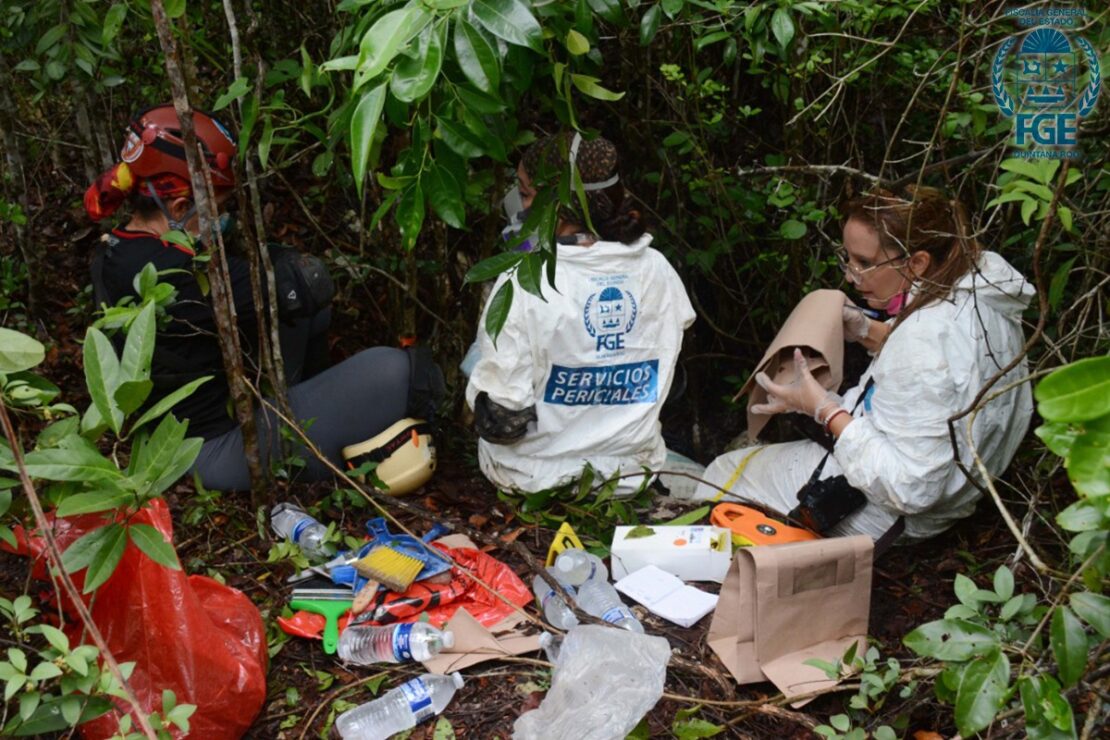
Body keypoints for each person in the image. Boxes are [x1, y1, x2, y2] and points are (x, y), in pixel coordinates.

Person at [84, 104, 440, 491]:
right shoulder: (179, 272)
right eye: (216, 210)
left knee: (307, 319)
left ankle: (306, 413)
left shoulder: (115, 251)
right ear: (180, 208)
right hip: (214, 453)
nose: (222, 220)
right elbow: (309, 282)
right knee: (400, 372)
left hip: (168, 440)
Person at [695, 186, 1034, 542]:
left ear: (917, 262)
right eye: (848, 259)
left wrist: (823, 410)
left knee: (723, 471)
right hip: (957, 488)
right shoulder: (978, 292)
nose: (851, 276)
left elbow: (911, 489)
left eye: (865, 262)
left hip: (890, 512)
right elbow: (951, 371)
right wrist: (869, 330)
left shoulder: (922, 342)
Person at [466, 133, 696, 494]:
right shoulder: (658, 270)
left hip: (532, 478)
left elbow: (503, 423)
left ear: (556, 209)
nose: (518, 206)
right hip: (629, 477)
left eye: (525, 194)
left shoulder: (524, 281)